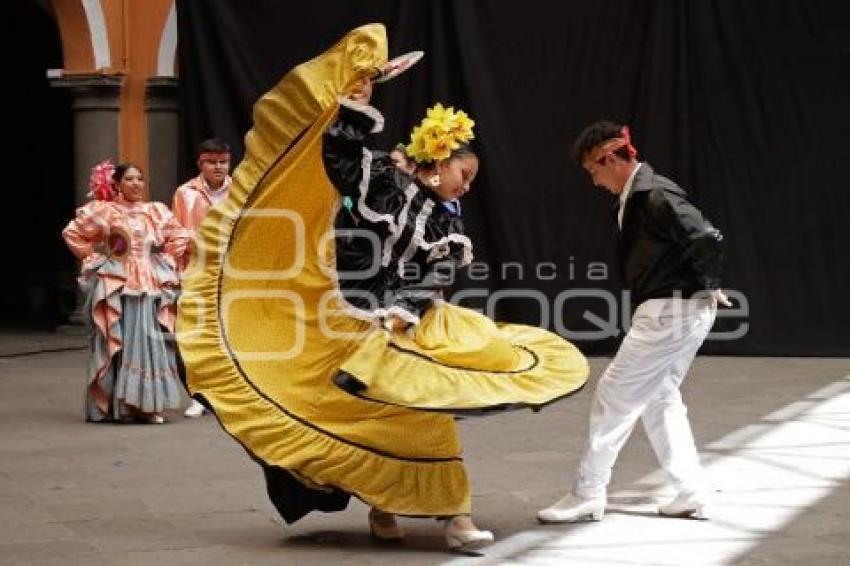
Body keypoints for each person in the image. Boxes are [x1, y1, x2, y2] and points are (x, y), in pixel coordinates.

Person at [177, 24, 587, 552]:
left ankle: (451, 517)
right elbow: (341, 161)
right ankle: (393, 508)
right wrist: (353, 105)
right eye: (465, 172)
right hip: (361, 322)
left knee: (427, 415)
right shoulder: (386, 185)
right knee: (377, 420)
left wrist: (409, 310)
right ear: (439, 161)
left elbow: (438, 272)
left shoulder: (442, 219)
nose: (467, 185)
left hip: (413, 324)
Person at [537, 121, 729, 524]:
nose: (593, 181)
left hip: (670, 311)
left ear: (610, 158)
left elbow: (705, 236)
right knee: (660, 398)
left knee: (615, 393)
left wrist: (707, 283)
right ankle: (691, 491)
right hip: (675, 309)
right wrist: (705, 286)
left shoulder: (652, 193)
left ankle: (588, 492)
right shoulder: (640, 194)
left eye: (593, 169)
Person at [63, 161, 189, 424]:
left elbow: (180, 235)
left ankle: (146, 404)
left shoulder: (154, 211)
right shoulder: (106, 212)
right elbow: (73, 233)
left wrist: (164, 259)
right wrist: (94, 259)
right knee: (119, 342)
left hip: (148, 281)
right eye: (130, 179)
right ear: (117, 184)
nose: (136, 184)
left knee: (148, 342)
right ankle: (119, 406)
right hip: (117, 281)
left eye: (140, 179)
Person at [171, 138, 233, 418]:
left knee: (230, 335)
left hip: (233, 274)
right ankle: (199, 394)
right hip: (196, 273)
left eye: (223, 162)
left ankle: (229, 394)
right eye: (212, 162)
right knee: (196, 336)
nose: (218, 167)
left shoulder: (241, 191)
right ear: (201, 163)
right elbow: (176, 233)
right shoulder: (185, 194)